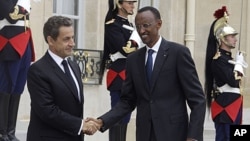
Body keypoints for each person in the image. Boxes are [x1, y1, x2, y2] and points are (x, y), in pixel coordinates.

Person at [88, 6, 206, 141]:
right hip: (145, 134)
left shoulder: (178, 53)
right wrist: (102, 121)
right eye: (138, 27)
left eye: (146, 25)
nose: (141, 31)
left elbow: (197, 100)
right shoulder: (133, 59)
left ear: (159, 24)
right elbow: (127, 101)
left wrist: (193, 136)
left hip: (174, 134)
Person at [26, 16, 98, 141]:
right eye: (66, 39)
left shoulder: (74, 66)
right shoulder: (38, 70)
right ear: (50, 40)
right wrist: (81, 125)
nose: (72, 43)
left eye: (73, 38)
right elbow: (47, 111)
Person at [99, 0, 142, 141]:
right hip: (119, 75)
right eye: (129, 2)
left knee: (126, 117)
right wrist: (136, 38)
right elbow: (125, 50)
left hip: (129, 73)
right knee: (118, 116)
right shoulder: (112, 25)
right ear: (119, 3)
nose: (132, 6)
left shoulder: (129, 25)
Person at [204, 6, 248, 141]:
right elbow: (233, 80)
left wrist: (237, 63)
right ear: (223, 39)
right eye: (232, 36)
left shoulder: (228, 59)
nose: (235, 39)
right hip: (226, 108)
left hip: (234, 106)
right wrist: (239, 64)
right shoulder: (218, 60)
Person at [0, 0, 35, 141]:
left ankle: (10, 131)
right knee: (6, 87)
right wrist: (24, 8)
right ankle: (2, 132)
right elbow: (10, 15)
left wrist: (23, 8)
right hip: (10, 41)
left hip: (24, 40)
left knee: (18, 88)